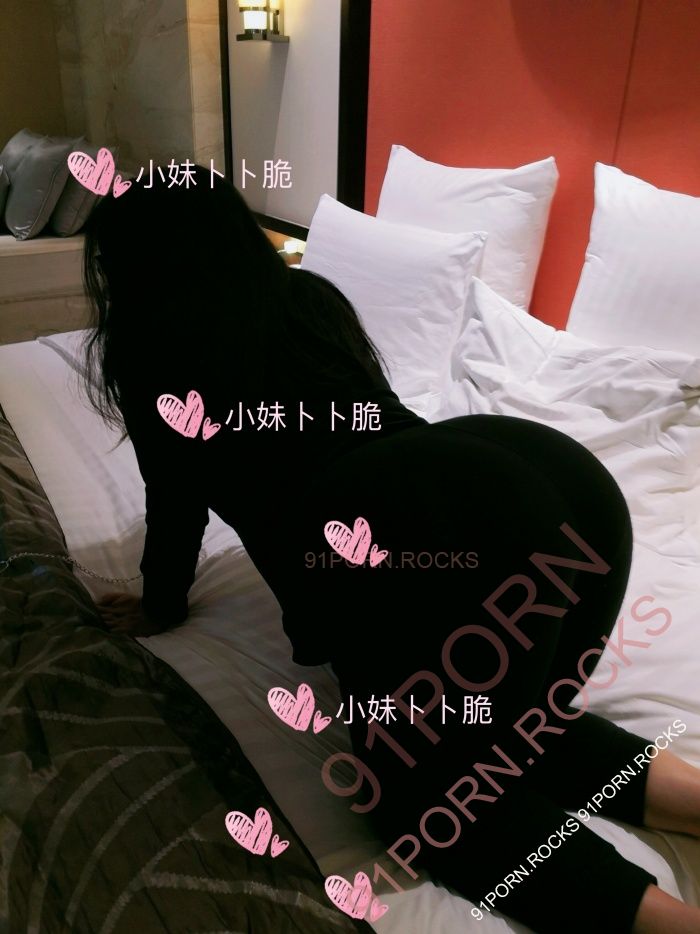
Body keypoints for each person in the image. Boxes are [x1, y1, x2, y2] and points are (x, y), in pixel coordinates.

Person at [82, 165, 700, 934]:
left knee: (430, 808)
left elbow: (176, 508)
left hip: (436, 536)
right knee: (511, 727)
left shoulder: (155, 357)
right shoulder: (308, 300)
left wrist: (160, 605)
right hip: (552, 477)